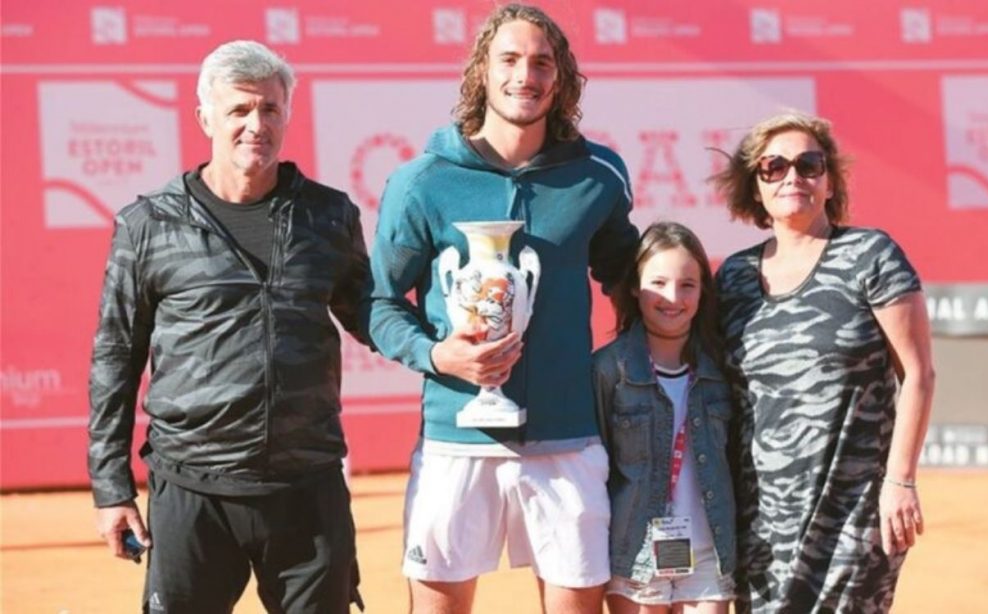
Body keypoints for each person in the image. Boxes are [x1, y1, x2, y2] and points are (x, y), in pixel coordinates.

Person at [367, 3, 639, 612]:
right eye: (509, 60)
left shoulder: (598, 176)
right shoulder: (423, 181)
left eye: (542, 63)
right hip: (455, 440)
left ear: (561, 80)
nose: (525, 75)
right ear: (482, 73)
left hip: (568, 440)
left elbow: (629, 282)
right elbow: (379, 302)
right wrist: (437, 355)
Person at [88, 40, 368, 612]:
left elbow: (372, 316)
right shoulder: (148, 225)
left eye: (270, 108)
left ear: (287, 115)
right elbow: (115, 359)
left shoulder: (329, 215)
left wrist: (448, 337)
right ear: (205, 118)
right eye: (239, 109)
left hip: (307, 488)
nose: (255, 125)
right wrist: (111, 488)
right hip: (192, 489)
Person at [712, 112, 935, 613]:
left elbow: (918, 373)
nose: (792, 176)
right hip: (760, 519)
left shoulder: (871, 255)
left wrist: (900, 480)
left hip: (853, 509)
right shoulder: (733, 278)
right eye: (774, 167)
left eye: (809, 165)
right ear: (755, 187)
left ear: (829, 182)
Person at [594, 222, 737, 614]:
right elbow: (594, 470)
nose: (673, 297)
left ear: (703, 290)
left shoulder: (722, 367)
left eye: (687, 285)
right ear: (635, 286)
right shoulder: (608, 370)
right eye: (658, 283)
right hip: (635, 553)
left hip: (710, 552)